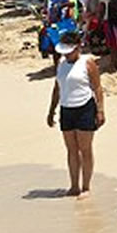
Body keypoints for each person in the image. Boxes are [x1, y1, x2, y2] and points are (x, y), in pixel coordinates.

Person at [47, 32, 105, 198]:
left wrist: (100, 110)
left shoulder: (88, 63)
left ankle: (86, 186)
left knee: (85, 149)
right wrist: (52, 110)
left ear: (78, 47)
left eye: (69, 51)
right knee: (71, 150)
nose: (66, 54)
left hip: (85, 108)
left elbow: (98, 88)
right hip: (66, 109)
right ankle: (74, 186)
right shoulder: (60, 63)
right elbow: (57, 87)